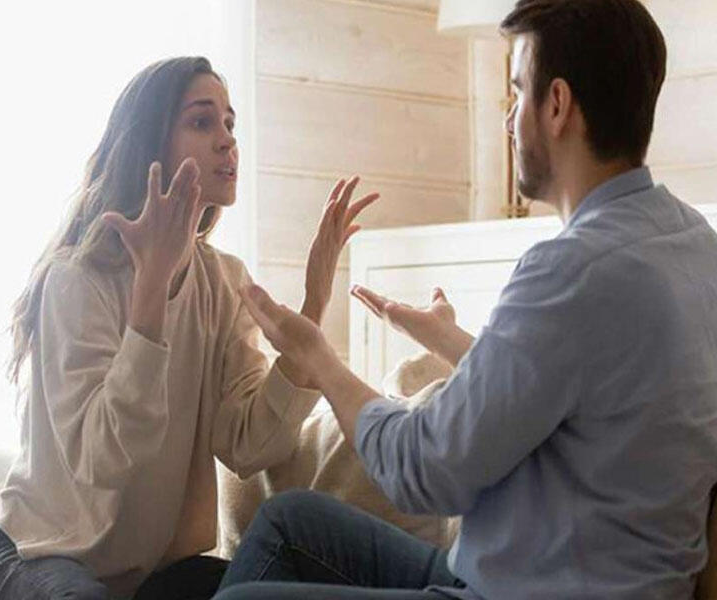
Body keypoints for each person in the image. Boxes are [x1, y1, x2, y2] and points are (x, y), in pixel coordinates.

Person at [214, 1, 717, 599]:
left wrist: (319, 359)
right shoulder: (694, 244)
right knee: (289, 522)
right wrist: (455, 344)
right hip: (579, 574)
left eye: (517, 92)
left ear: (556, 105)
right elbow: (586, 394)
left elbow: (421, 470)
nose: (509, 120)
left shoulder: (571, 270)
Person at [0, 56, 379, 600]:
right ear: (150, 143)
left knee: (284, 574)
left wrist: (313, 305)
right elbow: (102, 464)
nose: (227, 141)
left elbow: (248, 445)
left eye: (230, 123)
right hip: (41, 555)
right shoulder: (77, 277)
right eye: (202, 122)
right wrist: (151, 291)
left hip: (150, 577)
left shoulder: (224, 280)